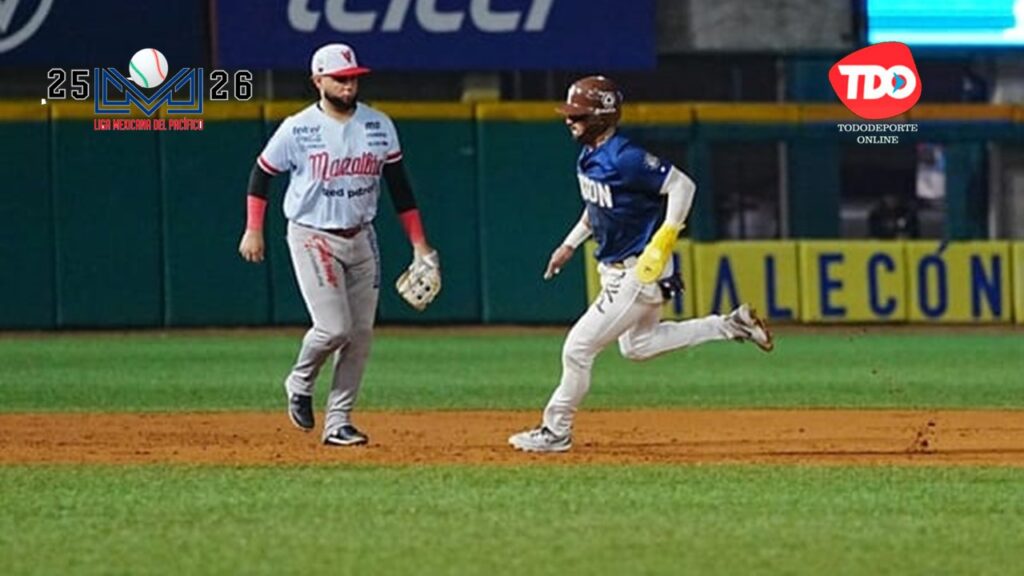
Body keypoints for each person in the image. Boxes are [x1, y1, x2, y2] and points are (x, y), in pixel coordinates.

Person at [508, 76, 773, 453]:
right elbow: (596, 207)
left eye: (578, 115)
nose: (569, 120)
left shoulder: (625, 156)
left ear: (600, 116)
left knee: (577, 349)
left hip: (637, 270)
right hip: (626, 268)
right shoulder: (590, 155)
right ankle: (730, 325)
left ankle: (556, 431)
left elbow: (683, 186)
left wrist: (666, 237)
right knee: (639, 346)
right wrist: (569, 245)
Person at [238, 43, 441, 447]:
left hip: (362, 237)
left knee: (360, 335)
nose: (349, 86)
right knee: (334, 328)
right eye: (340, 79)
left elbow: (400, 189)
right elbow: (262, 173)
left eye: (353, 79)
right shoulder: (298, 128)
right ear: (318, 80)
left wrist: (420, 246)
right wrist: (253, 228)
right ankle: (300, 380)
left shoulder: (379, 125)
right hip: (313, 235)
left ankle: (338, 422)